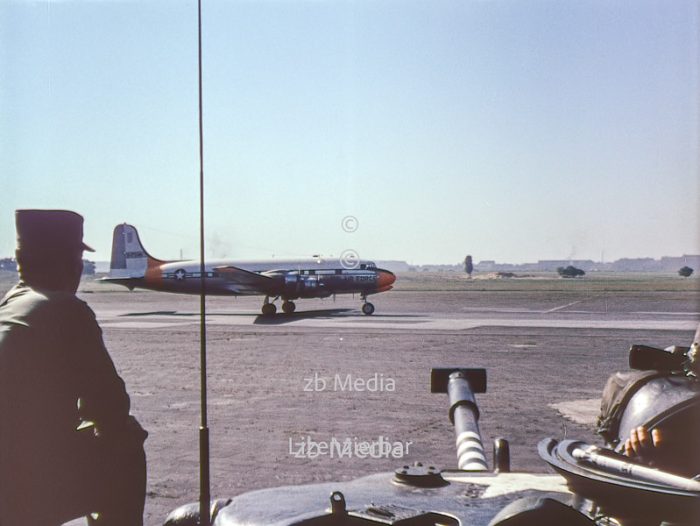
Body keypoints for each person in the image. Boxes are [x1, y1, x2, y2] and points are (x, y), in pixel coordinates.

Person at [0, 210, 147, 526]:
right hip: (22, 479)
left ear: (20, 259)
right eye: (77, 257)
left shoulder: (9, 302)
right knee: (126, 439)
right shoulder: (67, 309)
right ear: (68, 263)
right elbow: (112, 406)